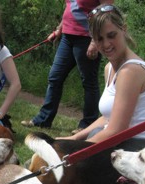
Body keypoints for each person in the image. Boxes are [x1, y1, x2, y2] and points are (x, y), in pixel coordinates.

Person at [57, 4, 145, 151]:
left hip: (133, 152)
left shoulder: (130, 72)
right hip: (116, 145)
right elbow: (108, 118)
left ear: (123, 29)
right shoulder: (109, 68)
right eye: (99, 39)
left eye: (111, 35)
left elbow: (117, 130)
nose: (106, 44)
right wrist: (74, 138)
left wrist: (75, 149)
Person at [21, 0, 113, 133]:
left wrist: (95, 41)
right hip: (67, 37)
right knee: (55, 77)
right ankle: (43, 120)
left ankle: (87, 125)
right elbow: (71, 7)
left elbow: (106, 11)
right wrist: (59, 29)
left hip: (86, 38)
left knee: (88, 82)